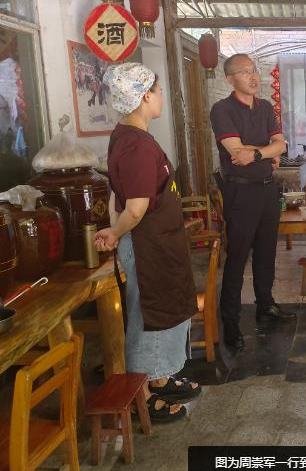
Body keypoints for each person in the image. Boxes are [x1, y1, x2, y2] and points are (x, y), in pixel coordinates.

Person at [96, 62, 201, 423]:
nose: (161, 97)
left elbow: (118, 194)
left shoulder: (129, 136)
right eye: (156, 91)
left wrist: (115, 228)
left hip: (159, 243)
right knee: (150, 315)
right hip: (147, 248)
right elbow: (136, 208)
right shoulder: (136, 145)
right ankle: (142, 396)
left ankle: (159, 377)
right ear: (143, 97)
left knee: (164, 309)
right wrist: (115, 233)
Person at [210, 54, 295, 353]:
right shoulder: (222, 110)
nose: (253, 76)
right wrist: (268, 150)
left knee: (266, 251)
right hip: (240, 192)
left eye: (254, 70)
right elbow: (236, 153)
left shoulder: (265, 107)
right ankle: (230, 322)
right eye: (245, 72)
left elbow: (281, 144)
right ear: (230, 79)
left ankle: (265, 305)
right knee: (237, 257)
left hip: (268, 189)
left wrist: (258, 153)